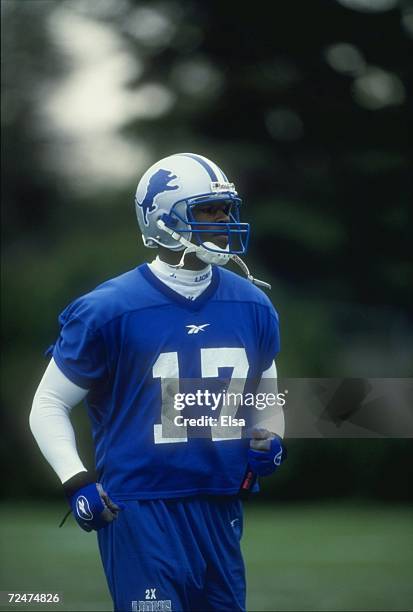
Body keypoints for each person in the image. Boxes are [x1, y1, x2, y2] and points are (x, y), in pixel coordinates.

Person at [30, 152, 286, 612]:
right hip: (140, 509)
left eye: (226, 209)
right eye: (208, 210)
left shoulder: (253, 304)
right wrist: (77, 480)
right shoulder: (109, 308)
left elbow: (268, 397)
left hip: (220, 505)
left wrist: (273, 437)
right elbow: (47, 403)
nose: (223, 220)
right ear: (163, 218)